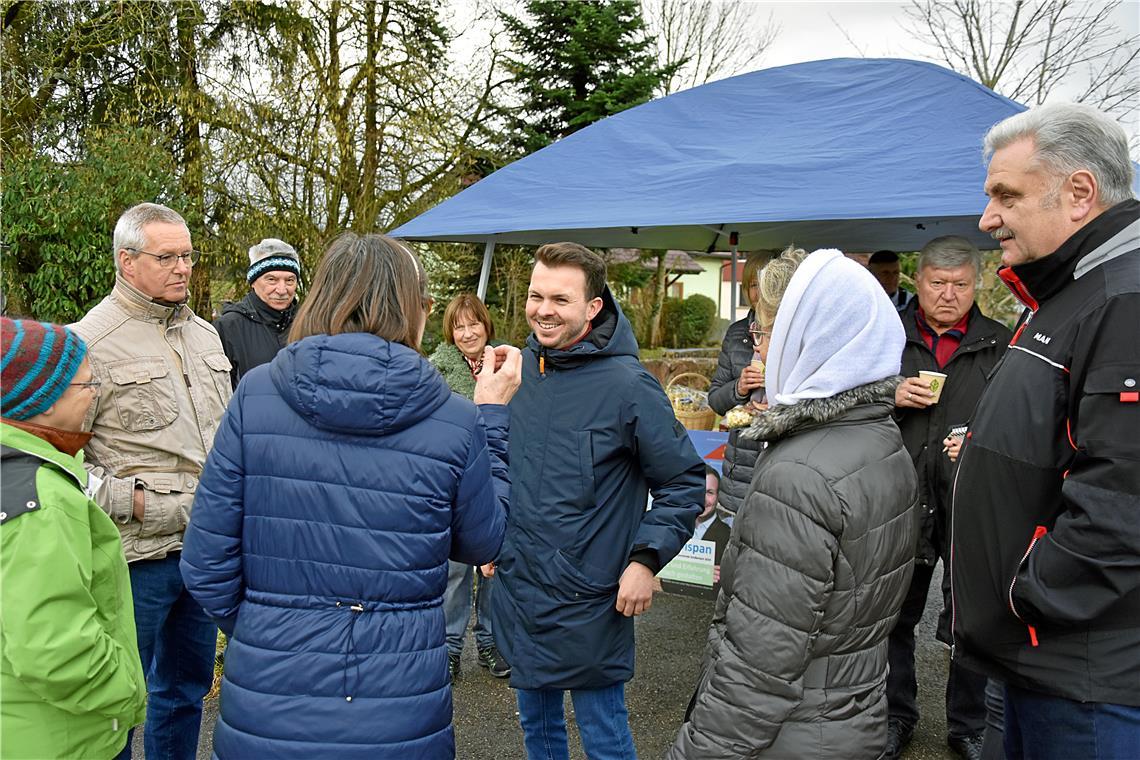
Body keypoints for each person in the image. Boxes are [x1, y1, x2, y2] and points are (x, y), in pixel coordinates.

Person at [180, 232, 520, 758]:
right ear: (415, 308)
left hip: (271, 694)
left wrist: (266, 628)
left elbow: (206, 563)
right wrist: (493, 418)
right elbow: (485, 542)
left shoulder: (257, 396)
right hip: (399, 699)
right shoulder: (456, 419)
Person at [669, 247, 918, 759]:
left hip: (793, 733)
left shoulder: (799, 474)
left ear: (805, 338)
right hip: (852, 714)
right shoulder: (880, 435)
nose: (759, 350)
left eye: (765, 334)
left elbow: (756, 668)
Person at [952, 102, 1140, 758]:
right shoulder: (1071, 293)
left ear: (1080, 192)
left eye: (1007, 195)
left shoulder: (1124, 299)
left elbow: (1124, 497)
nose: (988, 218)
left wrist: (1027, 597)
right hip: (1043, 660)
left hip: (1085, 674)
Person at [491, 241, 704, 760]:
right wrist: (487, 537)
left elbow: (683, 483)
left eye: (561, 299)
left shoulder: (628, 385)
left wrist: (645, 560)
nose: (543, 310)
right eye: (536, 296)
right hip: (521, 585)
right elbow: (493, 465)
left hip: (593, 593)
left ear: (593, 306)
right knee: (536, 731)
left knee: (604, 735)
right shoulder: (516, 374)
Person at [72, 202, 231, 760]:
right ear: (127, 261)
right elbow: (61, 461)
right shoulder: (87, 342)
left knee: (185, 691)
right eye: (167, 257)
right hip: (132, 560)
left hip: (203, 553)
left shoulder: (207, 337)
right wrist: (135, 503)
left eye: (188, 256)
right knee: (114, 700)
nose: (183, 268)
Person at [885, 236, 1011, 760]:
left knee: (971, 616)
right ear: (919, 280)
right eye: (938, 283)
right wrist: (889, 392)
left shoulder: (1001, 340)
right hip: (899, 492)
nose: (948, 294)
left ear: (977, 283)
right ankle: (894, 716)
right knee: (893, 615)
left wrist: (983, 440)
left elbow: (1018, 416)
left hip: (968, 494)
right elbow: (848, 396)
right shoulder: (885, 335)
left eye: (961, 284)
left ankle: (969, 724)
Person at [1, 318, 146, 760]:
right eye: (87, 383)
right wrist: (125, 692)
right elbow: (53, 647)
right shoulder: (41, 500)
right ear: (41, 403)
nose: (95, 392)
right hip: (61, 737)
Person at [428, 293, 511, 681]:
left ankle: (492, 642)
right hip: (453, 483)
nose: (467, 332)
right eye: (458, 326)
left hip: (496, 477)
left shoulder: (507, 365)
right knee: (455, 570)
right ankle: (450, 647)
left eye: (473, 323)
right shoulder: (436, 370)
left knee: (495, 567)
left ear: (486, 325)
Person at [707, 251, 772, 520]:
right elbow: (715, 400)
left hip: (783, 465)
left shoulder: (799, 332)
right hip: (739, 472)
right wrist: (740, 387)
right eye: (754, 285)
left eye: (768, 283)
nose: (761, 293)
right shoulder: (736, 334)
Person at [214, 237, 302, 389]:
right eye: (271, 280)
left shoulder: (308, 323)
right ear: (253, 282)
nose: (282, 290)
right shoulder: (229, 327)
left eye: (289, 280)